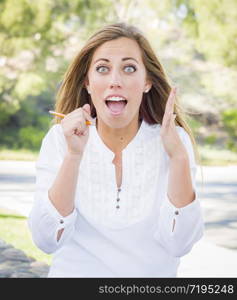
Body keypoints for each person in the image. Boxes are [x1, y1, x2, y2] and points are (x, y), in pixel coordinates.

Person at [28, 22, 204, 278]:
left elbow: (180, 244)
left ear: (147, 82)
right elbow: (46, 240)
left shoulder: (174, 141)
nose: (115, 81)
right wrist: (73, 156)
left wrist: (177, 157)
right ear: (88, 82)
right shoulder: (60, 139)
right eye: (103, 69)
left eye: (129, 68)